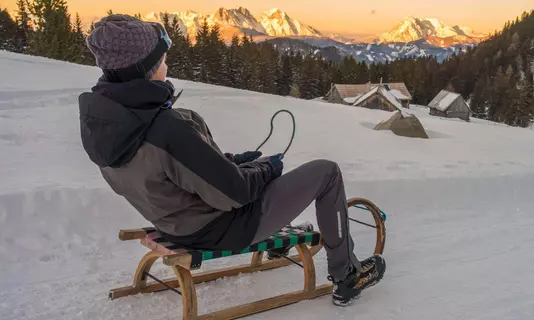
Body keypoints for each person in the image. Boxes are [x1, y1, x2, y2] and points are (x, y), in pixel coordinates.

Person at [78, 14, 385, 306]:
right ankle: (346, 275)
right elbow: (234, 194)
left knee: (259, 174)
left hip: (173, 223)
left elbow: (174, 173)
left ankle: (282, 242)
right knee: (326, 173)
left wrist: (235, 162)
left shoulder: (109, 129)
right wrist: (267, 168)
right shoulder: (166, 129)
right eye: (161, 57)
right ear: (146, 67)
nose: (166, 62)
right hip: (222, 228)